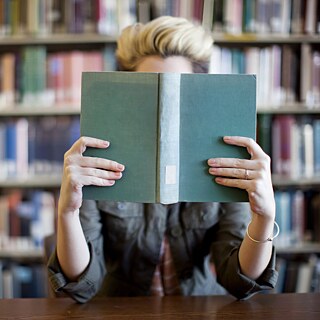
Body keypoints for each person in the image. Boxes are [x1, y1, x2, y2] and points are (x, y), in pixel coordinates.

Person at [47, 16, 278, 303]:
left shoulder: (225, 157)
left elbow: (239, 280)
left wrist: (264, 217)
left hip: (199, 308)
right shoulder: (100, 159)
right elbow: (83, 283)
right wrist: (67, 213)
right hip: (121, 310)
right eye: (151, 94)